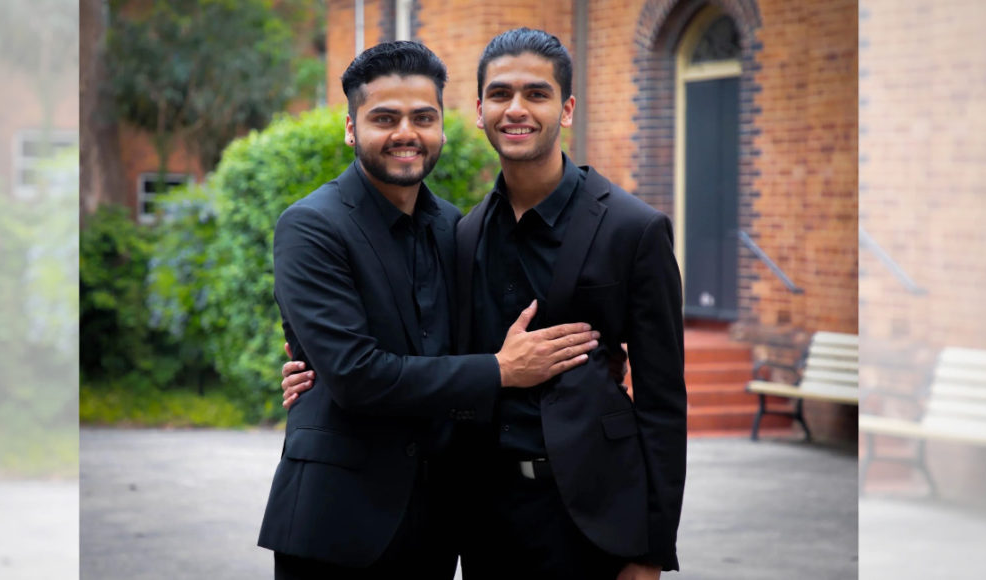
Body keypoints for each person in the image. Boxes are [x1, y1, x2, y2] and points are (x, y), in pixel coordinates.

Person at [282, 28, 686, 579]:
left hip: (583, 517)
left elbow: (664, 404)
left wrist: (651, 551)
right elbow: (368, 364)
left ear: (566, 109)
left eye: (423, 117)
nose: (516, 109)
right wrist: (322, 372)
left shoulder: (620, 229)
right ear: (478, 111)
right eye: (500, 94)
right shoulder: (452, 230)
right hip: (450, 520)